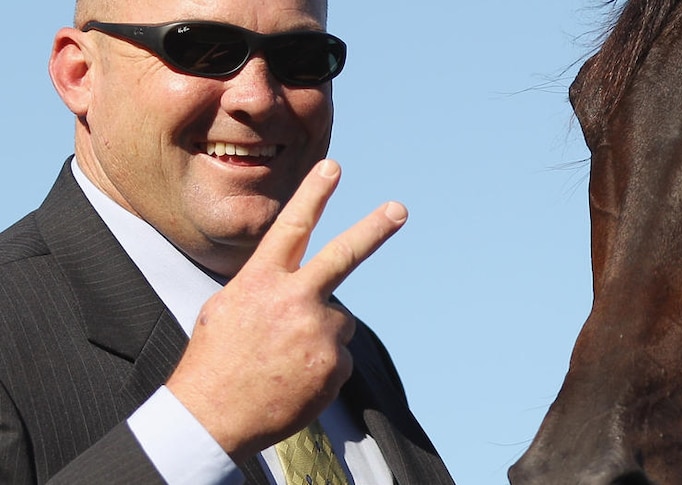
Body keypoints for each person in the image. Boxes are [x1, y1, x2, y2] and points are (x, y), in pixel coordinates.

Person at [0, 0, 454, 483]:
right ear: (79, 73)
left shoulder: (350, 352)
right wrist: (201, 423)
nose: (257, 98)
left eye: (300, 56)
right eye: (202, 49)